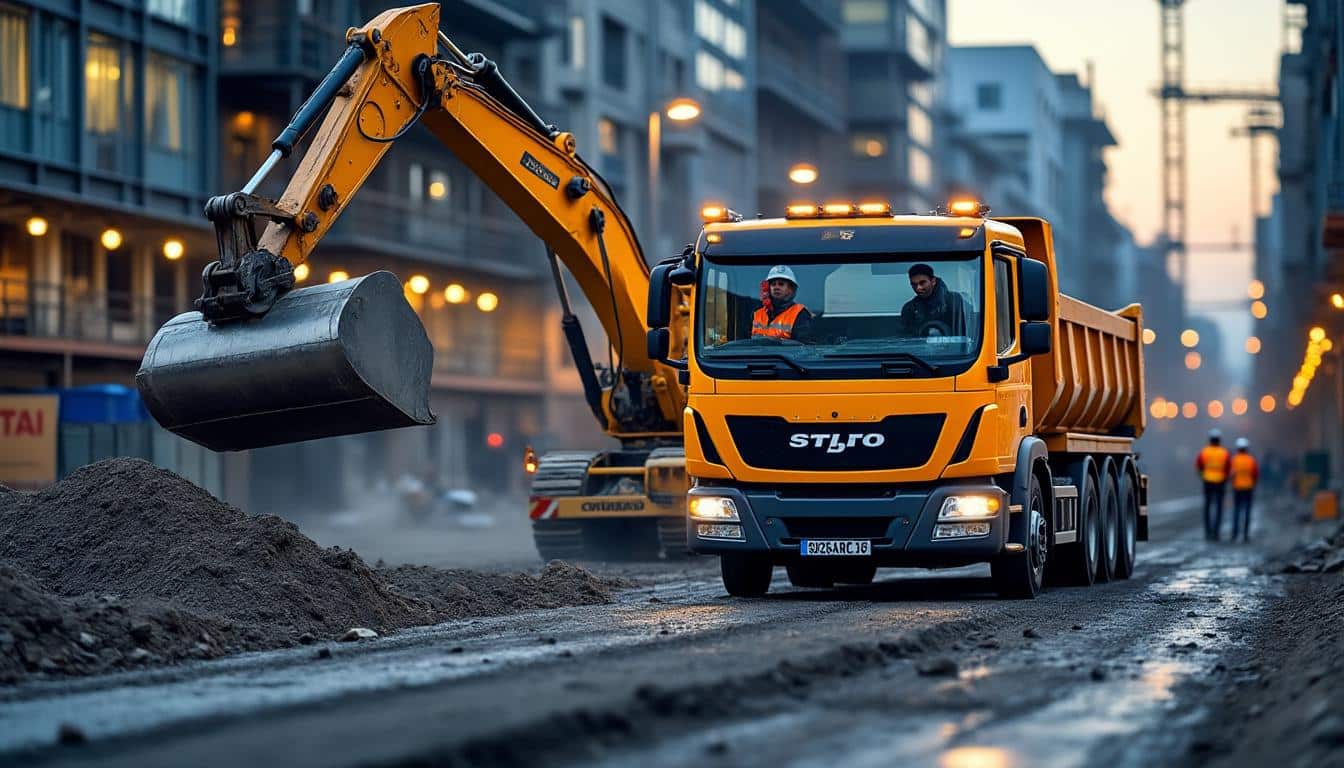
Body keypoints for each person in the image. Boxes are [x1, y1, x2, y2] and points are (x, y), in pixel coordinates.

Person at [900, 263, 969, 337]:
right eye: (914, 284)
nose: (918, 288)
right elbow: (905, 337)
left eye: (922, 283)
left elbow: (966, 332)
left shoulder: (955, 301)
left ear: (933, 281)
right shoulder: (909, 308)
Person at [751, 265, 813, 341]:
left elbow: (804, 347)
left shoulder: (800, 314)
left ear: (791, 289)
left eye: (781, 284)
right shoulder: (757, 313)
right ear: (768, 288)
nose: (776, 287)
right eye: (773, 284)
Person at [1196, 429, 1230, 541]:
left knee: (1207, 506)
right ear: (1219, 440)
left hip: (1208, 481)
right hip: (1220, 482)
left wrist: (1203, 475)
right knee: (1219, 507)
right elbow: (1228, 468)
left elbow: (1199, 466)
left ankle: (1207, 531)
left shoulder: (1204, 452)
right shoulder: (1224, 452)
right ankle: (1216, 532)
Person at [1229, 437, 1259, 542]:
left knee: (1236, 510)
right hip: (1248, 488)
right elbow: (1255, 474)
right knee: (1247, 511)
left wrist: (1232, 483)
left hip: (1237, 488)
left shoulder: (1234, 460)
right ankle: (1245, 534)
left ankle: (1235, 534)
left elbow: (1231, 474)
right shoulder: (1251, 460)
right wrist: (1253, 483)